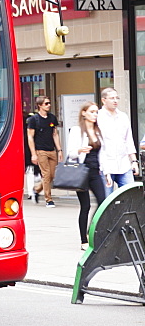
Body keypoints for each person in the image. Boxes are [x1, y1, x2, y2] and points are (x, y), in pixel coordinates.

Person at [67, 102, 107, 250]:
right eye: (92, 112)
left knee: (103, 202)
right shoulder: (77, 130)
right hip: (82, 172)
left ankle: (92, 231)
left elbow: (103, 155)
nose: (95, 115)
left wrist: (106, 173)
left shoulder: (97, 131)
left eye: (96, 112)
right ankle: (84, 240)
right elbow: (70, 153)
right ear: (83, 113)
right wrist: (80, 150)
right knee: (85, 206)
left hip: (96, 172)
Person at [96, 87, 140, 195]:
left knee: (131, 195)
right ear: (103, 100)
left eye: (117, 98)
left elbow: (128, 140)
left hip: (124, 164)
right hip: (106, 165)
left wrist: (134, 161)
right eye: (111, 98)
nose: (115, 101)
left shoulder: (123, 117)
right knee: (107, 201)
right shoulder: (98, 117)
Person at [27, 96, 61, 207]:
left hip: (52, 150)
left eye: (49, 103)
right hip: (40, 150)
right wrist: (33, 154)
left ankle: (36, 190)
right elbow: (30, 137)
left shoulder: (52, 118)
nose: (49, 105)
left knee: (52, 175)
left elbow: (55, 134)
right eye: (46, 103)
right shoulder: (33, 120)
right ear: (40, 105)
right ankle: (48, 199)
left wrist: (59, 150)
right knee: (46, 175)